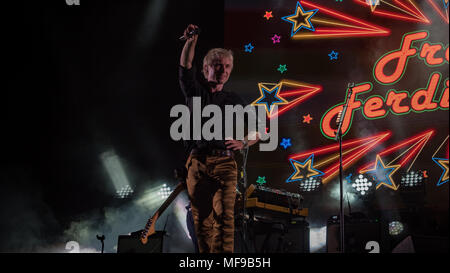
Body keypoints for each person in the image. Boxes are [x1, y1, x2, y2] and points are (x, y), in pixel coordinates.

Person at [178, 24, 259, 253]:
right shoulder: (195, 91)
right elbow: (185, 66)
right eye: (217, 66)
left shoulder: (234, 98)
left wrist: (243, 142)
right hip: (198, 162)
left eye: (227, 66)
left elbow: (259, 127)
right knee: (202, 222)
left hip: (225, 162)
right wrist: (191, 41)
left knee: (225, 218)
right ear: (206, 68)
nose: (223, 70)